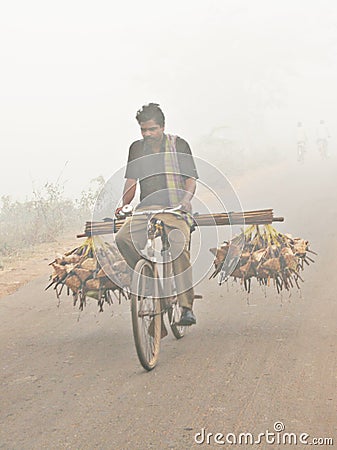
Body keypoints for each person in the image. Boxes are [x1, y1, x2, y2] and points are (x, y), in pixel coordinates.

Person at [115, 103, 198, 326]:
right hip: (146, 209)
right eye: (143, 130)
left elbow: (190, 179)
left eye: (152, 129)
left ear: (162, 127)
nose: (147, 134)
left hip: (174, 209)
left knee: (178, 245)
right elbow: (131, 181)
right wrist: (124, 205)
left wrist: (185, 201)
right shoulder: (136, 148)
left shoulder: (179, 145)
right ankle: (147, 280)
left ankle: (186, 306)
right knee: (123, 238)